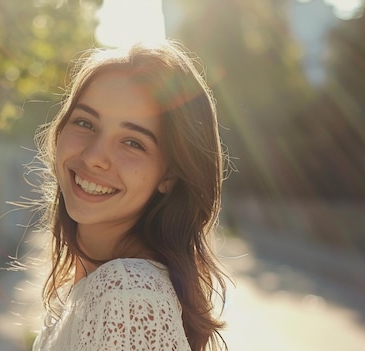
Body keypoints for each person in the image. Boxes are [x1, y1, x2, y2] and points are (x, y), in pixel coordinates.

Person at [30, 39, 228, 351]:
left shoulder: (126, 294)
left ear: (169, 175)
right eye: (85, 122)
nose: (96, 156)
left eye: (133, 142)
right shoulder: (92, 288)